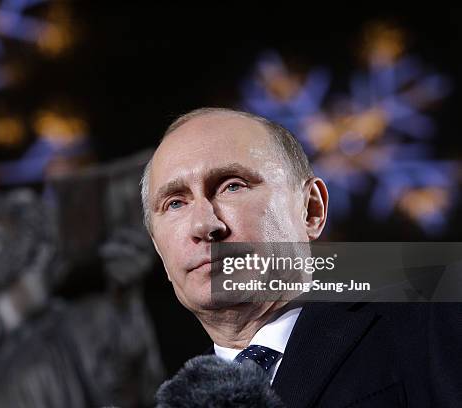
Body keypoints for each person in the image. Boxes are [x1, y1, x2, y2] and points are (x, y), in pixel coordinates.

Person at [142, 107, 462, 407]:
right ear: (159, 248)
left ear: (311, 210)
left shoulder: (432, 316)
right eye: (175, 203)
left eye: (232, 186)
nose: (204, 225)